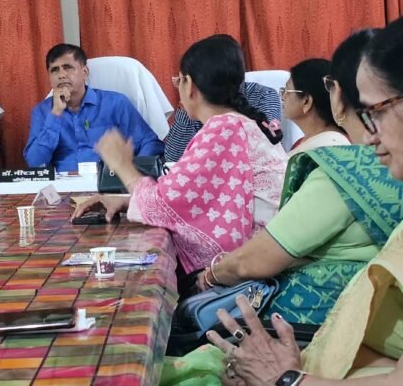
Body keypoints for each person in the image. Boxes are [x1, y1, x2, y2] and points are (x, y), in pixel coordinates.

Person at [182, 17, 403, 386]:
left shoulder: (342, 172)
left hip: (304, 335)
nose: (371, 138)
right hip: (325, 347)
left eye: (376, 112)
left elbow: (255, 261)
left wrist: (286, 378)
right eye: (367, 116)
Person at [74, 35, 288, 273]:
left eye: (179, 81)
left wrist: (122, 165)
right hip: (264, 258)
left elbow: (161, 204)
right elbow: (187, 196)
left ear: (190, 85)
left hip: (252, 271)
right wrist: (126, 201)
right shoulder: (234, 125)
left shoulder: (223, 129)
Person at [23, 43, 164, 172]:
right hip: (63, 185)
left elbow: (150, 143)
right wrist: (55, 114)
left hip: (109, 182)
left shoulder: (115, 103)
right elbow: (35, 163)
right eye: (54, 70)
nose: (61, 75)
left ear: (85, 72)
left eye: (67, 67)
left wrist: (133, 173)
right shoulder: (43, 112)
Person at [164, 81, 282, 162]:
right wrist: (188, 105)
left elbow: (268, 148)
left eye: (183, 80)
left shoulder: (263, 95)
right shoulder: (197, 104)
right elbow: (172, 159)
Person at [282, 58, 350, 156]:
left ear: (307, 101)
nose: (283, 97)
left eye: (287, 91)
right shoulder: (304, 143)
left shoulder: (325, 149)